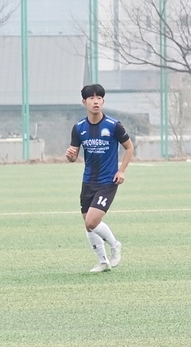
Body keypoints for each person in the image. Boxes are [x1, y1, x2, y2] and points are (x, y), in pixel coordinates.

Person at [65, 84, 135, 272]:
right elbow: (73, 157)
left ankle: (115, 244)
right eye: (91, 98)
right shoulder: (79, 128)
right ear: (84, 102)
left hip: (107, 182)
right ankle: (103, 261)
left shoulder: (113, 126)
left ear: (103, 101)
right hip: (88, 181)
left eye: (99, 98)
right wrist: (70, 156)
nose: (95, 101)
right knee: (88, 226)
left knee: (92, 222)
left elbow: (129, 147)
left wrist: (121, 171)